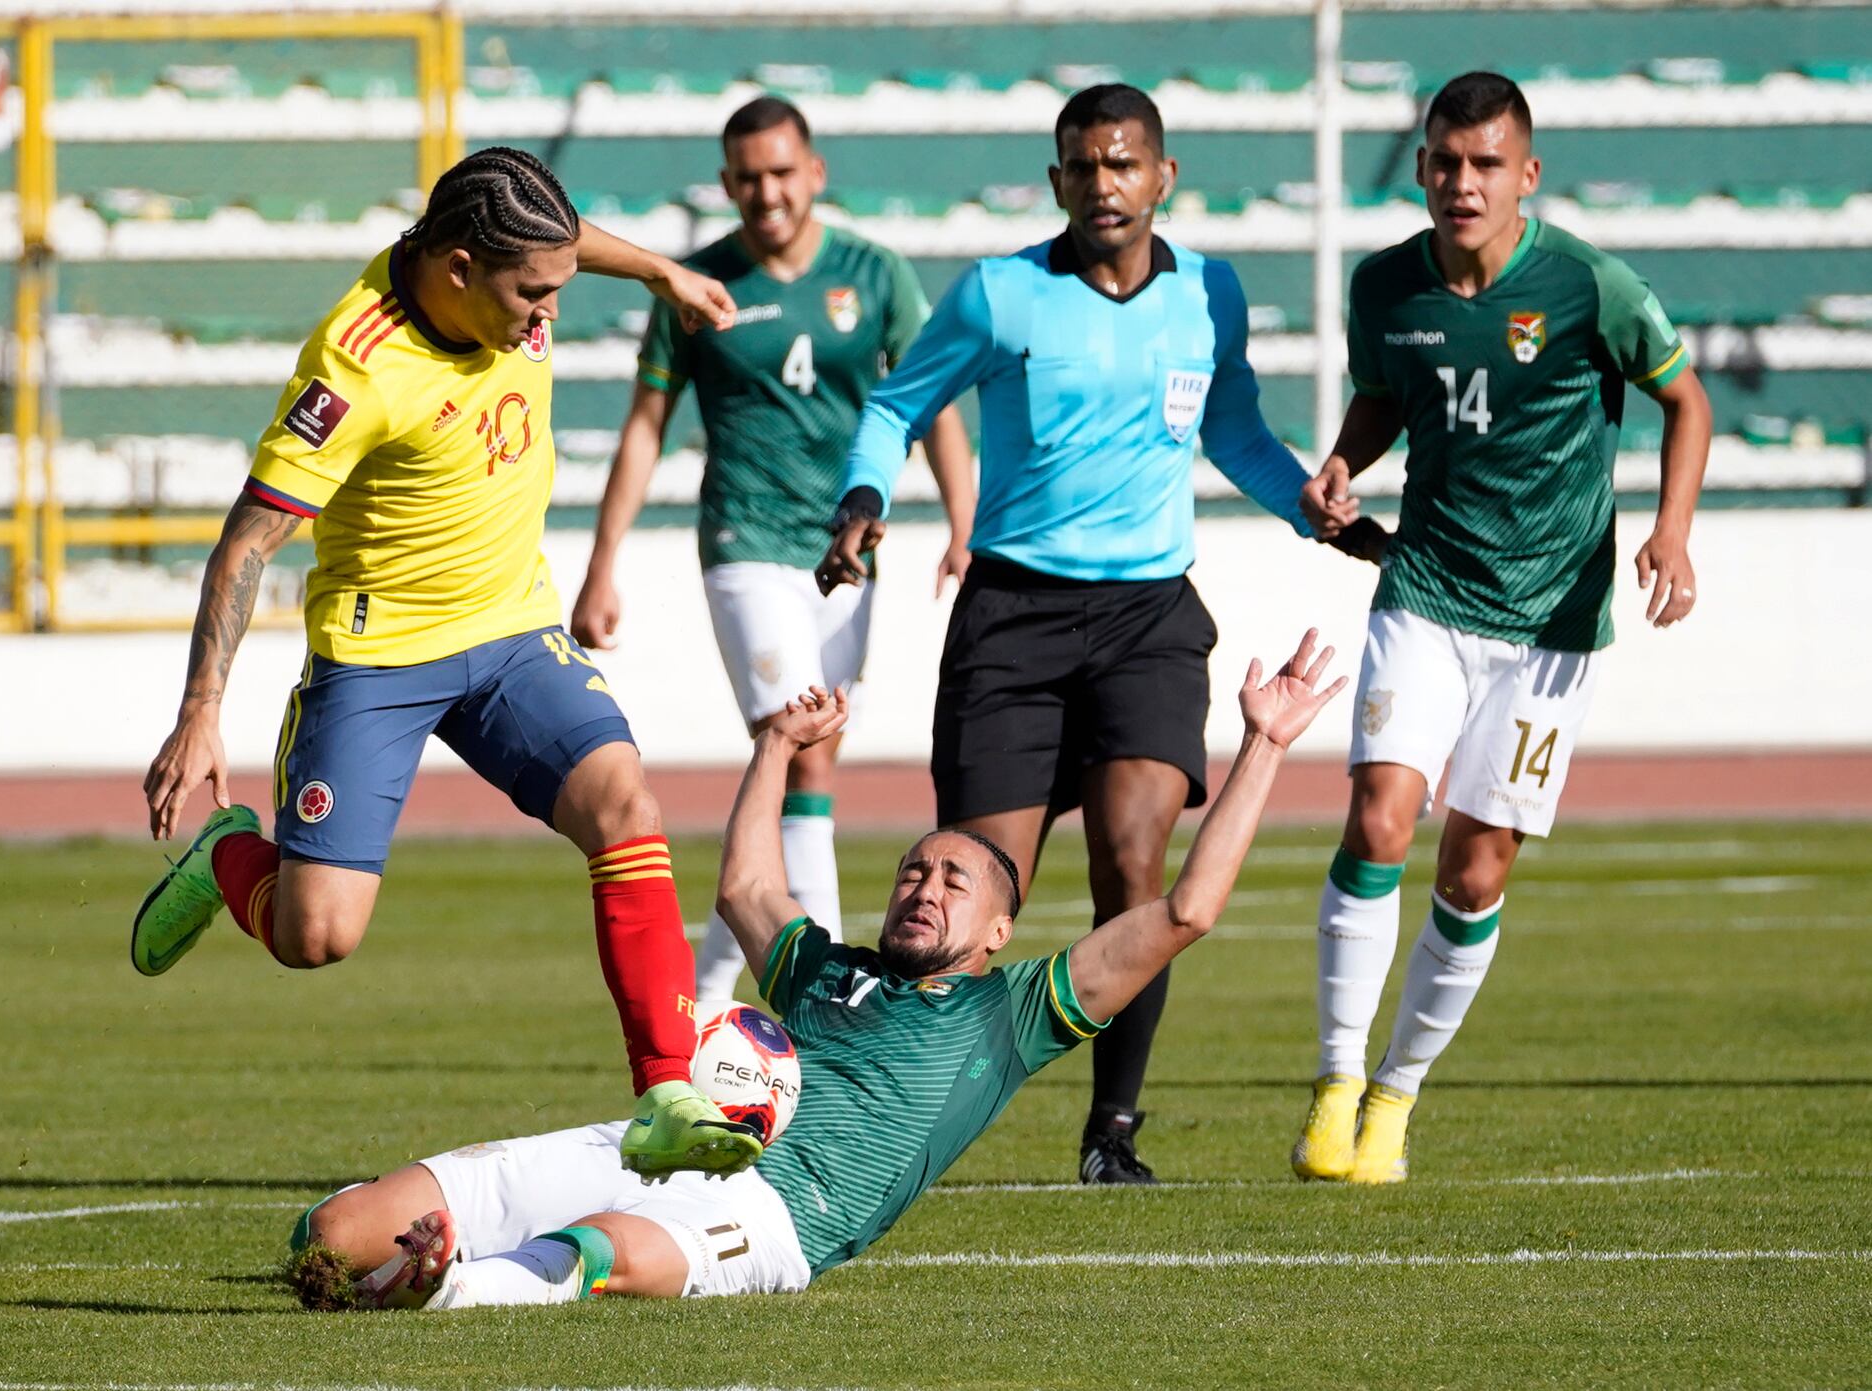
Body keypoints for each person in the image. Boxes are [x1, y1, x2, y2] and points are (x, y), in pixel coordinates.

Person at [288, 631, 1346, 1308]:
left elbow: (1188, 908)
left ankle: (445, 1286)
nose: (924, 886)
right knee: (329, 1237)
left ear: (997, 932)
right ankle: (393, 1248)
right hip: (669, 1138)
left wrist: (1260, 745)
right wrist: (775, 749)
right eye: (912, 869)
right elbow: (748, 887)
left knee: (610, 1250)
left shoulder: (1009, 1013)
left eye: (954, 881)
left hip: (778, 1215)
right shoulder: (823, 973)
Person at [132, 146, 766, 1180]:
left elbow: (560, 243)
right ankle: (225, 859)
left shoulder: (518, 267)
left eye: (558, 284)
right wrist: (202, 711)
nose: (546, 312)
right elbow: (247, 542)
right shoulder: (354, 365)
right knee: (317, 934)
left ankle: (664, 1090)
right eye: (532, 293)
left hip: (513, 628)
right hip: (380, 654)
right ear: (460, 268)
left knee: (625, 803)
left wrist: (660, 271)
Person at [816, 83, 1379, 1184]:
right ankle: (891, 1119)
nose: (1102, 184)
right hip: (1012, 615)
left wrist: (1306, 507)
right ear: (1055, 181)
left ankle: (1110, 1128)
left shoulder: (1212, 292)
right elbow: (893, 406)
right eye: (1081, 165)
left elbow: (1232, 429)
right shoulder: (1000, 293)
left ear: (1163, 177)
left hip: (1147, 617)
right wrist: (863, 502)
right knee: (972, 892)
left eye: (1123, 164)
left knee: (1134, 861)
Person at [1290, 72, 1710, 1185]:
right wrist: (1340, 467)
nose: (1460, 182)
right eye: (1442, 160)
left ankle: (1394, 1095)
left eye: (1484, 164)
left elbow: (1686, 397)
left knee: (1473, 875)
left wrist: (1670, 533)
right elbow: (1384, 396)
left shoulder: (1586, 285)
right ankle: (1333, 1086)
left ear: (1527, 175)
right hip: (1425, 590)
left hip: (1550, 624)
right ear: (1421, 165)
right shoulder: (1384, 286)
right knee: (1381, 817)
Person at [570, 95, 976, 1002]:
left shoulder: (874, 275)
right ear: (727, 184)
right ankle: (828, 994)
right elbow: (646, 425)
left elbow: (933, 402)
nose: (767, 192)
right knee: (801, 741)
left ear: (815, 173)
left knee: (798, 758)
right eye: (748, 177)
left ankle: (704, 1005)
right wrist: (604, 562)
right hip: (744, 541)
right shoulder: (697, 283)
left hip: (847, 552)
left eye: (783, 172)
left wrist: (963, 524)